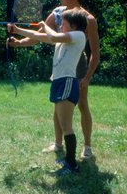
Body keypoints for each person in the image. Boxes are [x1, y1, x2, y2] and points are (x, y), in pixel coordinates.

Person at [8, 0, 100, 159]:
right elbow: (40, 35)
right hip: (60, 62)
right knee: (58, 105)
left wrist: (87, 76)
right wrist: (19, 42)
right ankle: (58, 144)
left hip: (77, 65)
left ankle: (87, 147)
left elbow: (95, 53)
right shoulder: (58, 13)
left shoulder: (88, 19)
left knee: (82, 104)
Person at [7, 9, 88, 175]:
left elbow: (52, 36)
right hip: (58, 81)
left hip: (67, 81)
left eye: (63, 23)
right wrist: (18, 30)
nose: (60, 25)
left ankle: (71, 165)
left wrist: (45, 25)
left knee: (66, 126)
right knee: (60, 121)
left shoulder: (78, 35)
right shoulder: (63, 39)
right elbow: (41, 37)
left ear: (72, 25)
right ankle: (68, 161)